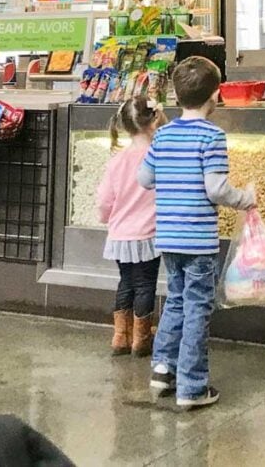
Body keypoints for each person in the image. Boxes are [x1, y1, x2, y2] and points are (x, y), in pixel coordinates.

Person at [138, 57, 256, 409]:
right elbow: (216, 189)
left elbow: (144, 180)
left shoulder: (163, 135)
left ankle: (162, 370)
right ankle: (192, 386)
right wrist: (245, 199)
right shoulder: (212, 135)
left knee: (175, 300)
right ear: (215, 96)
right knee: (197, 309)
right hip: (199, 241)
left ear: (175, 94)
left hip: (169, 238)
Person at [96, 96, 163, 358]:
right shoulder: (158, 156)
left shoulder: (117, 160)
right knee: (146, 284)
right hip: (148, 234)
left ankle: (120, 337)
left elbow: (104, 200)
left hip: (120, 234)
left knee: (126, 282)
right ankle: (141, 339)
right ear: (154, 119)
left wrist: (106, 219)